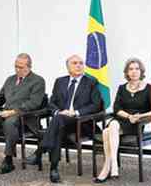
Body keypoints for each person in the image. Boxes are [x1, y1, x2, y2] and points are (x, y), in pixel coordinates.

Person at [28, 54, 102, 183]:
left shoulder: (91, 82)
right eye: (74, 63)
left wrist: (75, 112)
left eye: (80, 63)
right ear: (68, 67)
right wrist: (59, 111)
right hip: (62, 122)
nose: (78, 65)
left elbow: (96, 105)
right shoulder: (60, 81)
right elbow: (52, 103)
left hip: (81, 122)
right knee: (58, 125)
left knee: (57, 121)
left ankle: (40, 152)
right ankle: (53, 169)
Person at [0, 53, 46, 174]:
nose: (17, 69)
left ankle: (8, 160)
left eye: (20, 67)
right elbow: (2, 96)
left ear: (28, 67)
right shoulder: (10, 79)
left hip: (24, 118)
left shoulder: (38, 81)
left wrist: (14, 112)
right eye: (16, 66)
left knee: (10, 122)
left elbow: (34, 103)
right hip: (5, 115)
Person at [94, 57, 151, 183]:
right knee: (113, 124)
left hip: (136, 123)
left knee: (106, 132)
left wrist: (139, 117)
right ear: (127, 72)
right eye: (130, 69)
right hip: (122, 120)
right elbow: (116, 108)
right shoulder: (122, 88)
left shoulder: (149, 88)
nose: (134, 71)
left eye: (137, 69)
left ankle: (107, 167)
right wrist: (128, 116)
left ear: (141, 71)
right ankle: (113, 165)